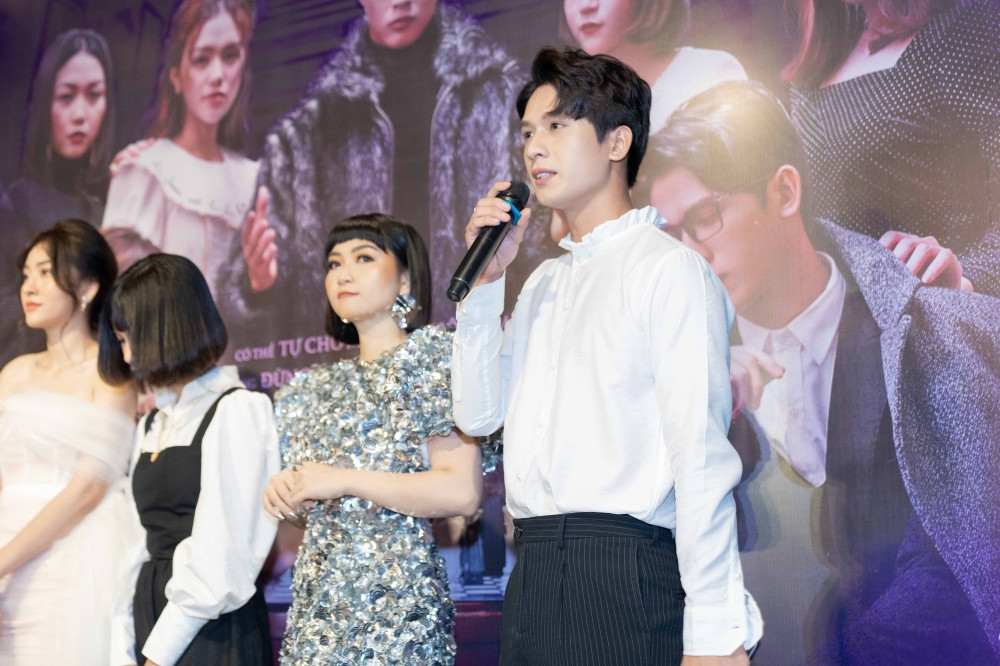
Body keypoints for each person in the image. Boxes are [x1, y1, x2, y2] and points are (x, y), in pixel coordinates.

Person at [643, 79, 1000, 664]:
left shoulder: (913, 328)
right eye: (671, 235)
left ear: (784, 191)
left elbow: (959, 564)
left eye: (706, 218)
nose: (690, 255)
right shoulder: (668, 370)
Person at [451, 47, 761, 665]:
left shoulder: (669, 270)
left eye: (557, 126)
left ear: (618, 141)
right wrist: (485, 288)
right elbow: (478, 415)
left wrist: (716, 634)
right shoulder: (541, 284)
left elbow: (700, 459)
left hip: (626, 573)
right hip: (534, 574)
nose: (535, 149)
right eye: (528, 133)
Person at [215, 0, 533, 341]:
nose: (400, 3)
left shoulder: (507, 101)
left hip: (488, 344)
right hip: (360, 359)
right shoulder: (308, 133)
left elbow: (544, 244)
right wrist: (257, 286)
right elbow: (243, 309)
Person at [261, 213, 498, 665]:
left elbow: (461, 491)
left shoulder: (429, 360)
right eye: (334, 263)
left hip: (399, 619)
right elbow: (313, 511)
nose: (343, 274)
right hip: (317, 617)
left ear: (405, 278)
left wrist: (343, 479)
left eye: (364, 258)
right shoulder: (309, 390)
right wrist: (288, 493)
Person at [99, 254, 278, 666]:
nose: (125, 356)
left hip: (211, 627)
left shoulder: (237, 409)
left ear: (165, 329)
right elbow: (136, 546)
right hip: (151, 616)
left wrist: (159, 654)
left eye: (128, 338)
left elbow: (224, 552)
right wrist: (124, 644)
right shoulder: (153, 423)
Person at [784, 0, 1000, 296]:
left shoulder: (968, 26)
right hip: (842, 317)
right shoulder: (816, 66)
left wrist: (967, 279)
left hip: (941, 312)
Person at [0, 219, 136, 663]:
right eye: (26, 274)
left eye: (45, 272)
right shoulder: (14, 373)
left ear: (87, 288)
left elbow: (86, 491)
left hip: (67, 561)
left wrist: (2, 564)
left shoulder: (111, 377)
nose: (29, 286)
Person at [102, 0, 258, 294]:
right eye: (202, 59)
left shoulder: (255, 179)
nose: (218, 75)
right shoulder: (145, 171)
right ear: (176, 75)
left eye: (230, 56)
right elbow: (118, 297)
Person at [0, 29, 116, 367]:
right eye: (66, 96)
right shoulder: (15, 204)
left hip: (95, 369)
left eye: (94, 95)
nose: (80, 113)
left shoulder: (104, 210)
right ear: (45, 103)